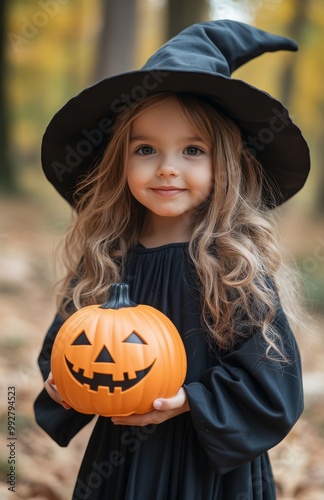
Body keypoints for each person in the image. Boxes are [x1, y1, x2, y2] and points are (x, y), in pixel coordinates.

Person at [34, 20, 310, 500]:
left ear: (225, 165)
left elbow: (273, 388)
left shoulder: (234, 269)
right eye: (146, 149)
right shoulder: (107, 259)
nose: (166, 166)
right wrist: (64, 388)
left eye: (192, 150)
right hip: (121, 466)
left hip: (211, 474)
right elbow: (70, 351)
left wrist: (189, 400)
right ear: (119, 162)